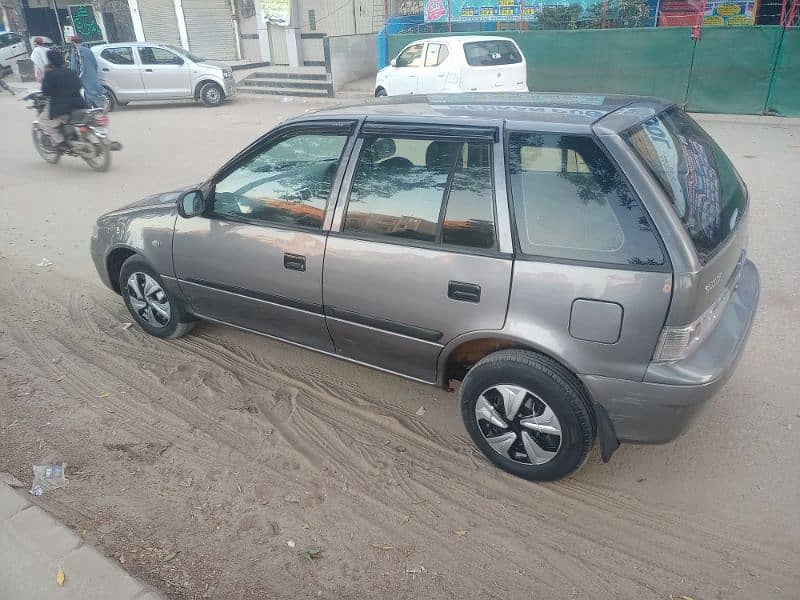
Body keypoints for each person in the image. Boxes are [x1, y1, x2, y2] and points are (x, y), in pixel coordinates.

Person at [40, 49, 87, 149]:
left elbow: (46, 92)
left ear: (50, 61)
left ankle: (60, 142)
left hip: (61, 109)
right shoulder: (72, 72)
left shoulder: (50, 74)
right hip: (79, 104)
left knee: (43, 121)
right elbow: (79, 85)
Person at [68, 35, 104, 109]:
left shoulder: (75, 51)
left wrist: (74, 76)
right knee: (91, 91)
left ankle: (99, 106)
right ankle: (95, 107)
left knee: (87, 92)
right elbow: (95, 64)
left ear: (74, 42)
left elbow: (74, 66)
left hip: (83, 75)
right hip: (92, 74)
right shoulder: (88, 50)